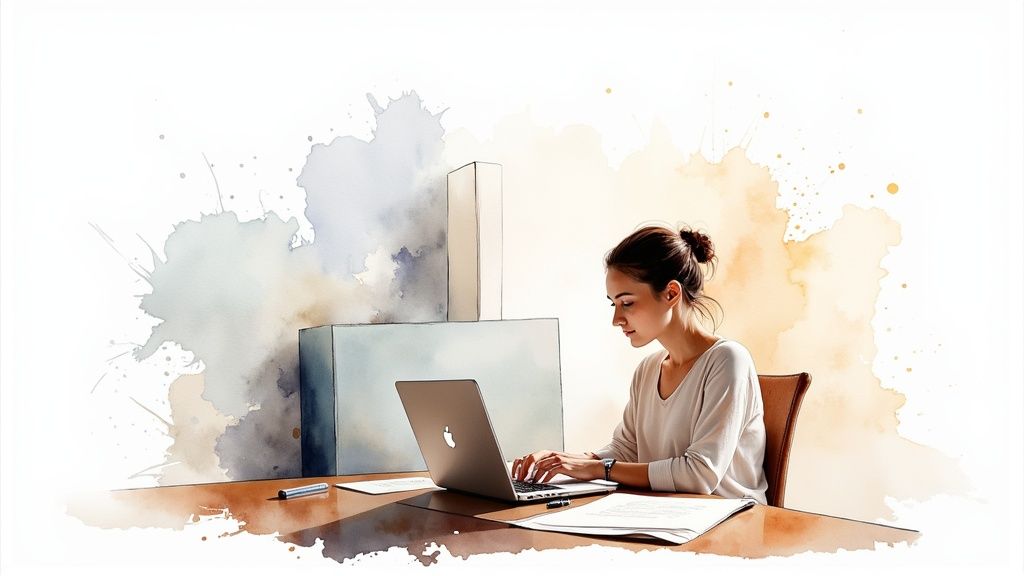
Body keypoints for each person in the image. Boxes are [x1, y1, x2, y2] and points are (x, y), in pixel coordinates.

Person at [512, 225, 768, 504]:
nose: (617, 319)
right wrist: (562, 461)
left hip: (729, 526)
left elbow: (700, 475)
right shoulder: (649, 369)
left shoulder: (728, 361)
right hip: (667, 515)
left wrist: (598, 468)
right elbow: (626, 450)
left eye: (628, 303)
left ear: (671, 293)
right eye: (614, 305)